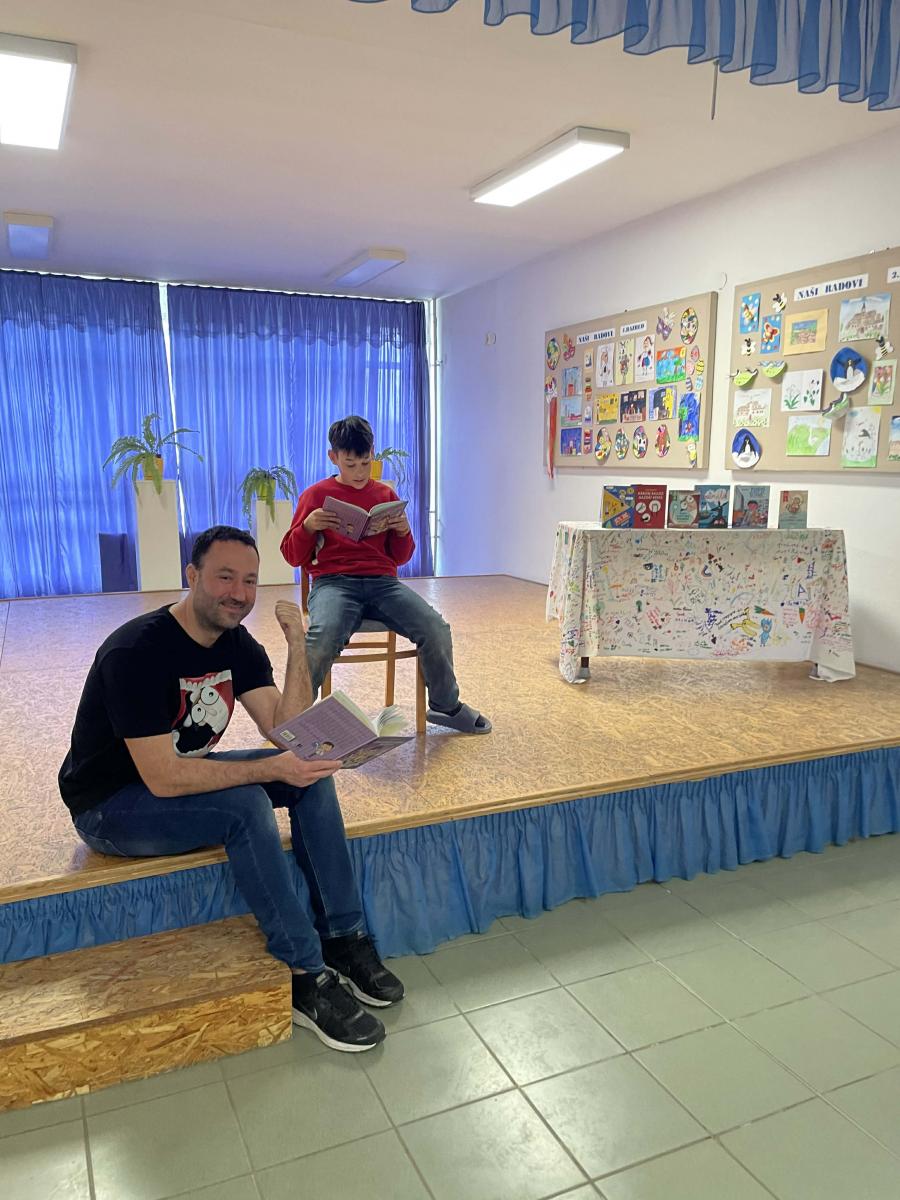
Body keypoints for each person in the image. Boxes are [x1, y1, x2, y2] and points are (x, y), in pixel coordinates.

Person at [58, 525, 402, 1053]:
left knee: (309, 775)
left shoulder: (235, 642)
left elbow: (286, 731)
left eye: (249, 581)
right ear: (192, 576)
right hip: (112, 804)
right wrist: (266, 771)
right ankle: (304, 973)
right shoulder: (135, 651)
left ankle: (342, 937)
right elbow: (163, 777)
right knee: (246, 804)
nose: (239, 593)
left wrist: (298, 646)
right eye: (224, 577)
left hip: (174, 777)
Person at [281, 415, 491, 734]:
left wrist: (403, 531)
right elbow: (292, 555)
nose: (359, 472)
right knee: (322, 638)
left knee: (435, 628)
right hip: (334, 584)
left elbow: (402, 556)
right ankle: (294, 718)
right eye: (350, 464)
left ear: (373, 454)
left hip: (383, 584)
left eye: (365, 463)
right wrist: (308, 527)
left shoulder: (385, 495)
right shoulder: (315, 496)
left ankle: (445, 707)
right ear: (333, 457)